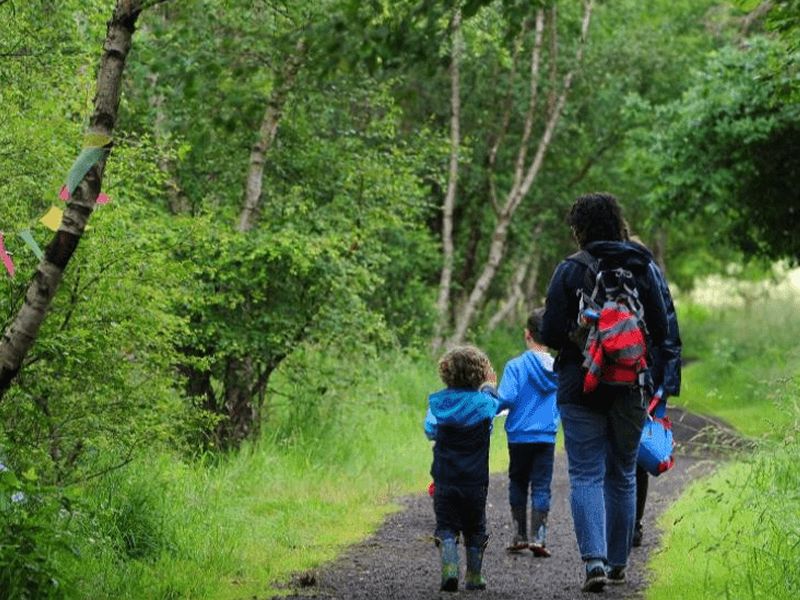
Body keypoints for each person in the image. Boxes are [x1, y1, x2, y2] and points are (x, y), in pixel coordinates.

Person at [540, 192, 670, 593]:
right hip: (631, 385)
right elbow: (663, 332)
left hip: (580, 384)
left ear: (579, 229)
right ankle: (618, 565)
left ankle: (593, 561)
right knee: (623, 474)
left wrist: (586, 338)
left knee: (585, 473)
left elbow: (549, 333)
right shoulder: (643, 266)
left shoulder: (569, 270)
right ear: (618, 222)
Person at [424, 345, 499, 592]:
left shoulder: (438, 403)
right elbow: (491, 412)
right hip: (475, 482)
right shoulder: (484, 405)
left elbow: (430, 430)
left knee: (446, 526)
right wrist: (489, 387)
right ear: (479, 375)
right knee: (475, 528)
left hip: (445, 479)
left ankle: (450, 571)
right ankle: (474, 577)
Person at [626, 238, 682, 547]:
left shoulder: (605, 271)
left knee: (621, 451)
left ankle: (625, 524)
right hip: (650, 376)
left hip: (619, 374)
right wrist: (668, 383)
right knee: (639, 450)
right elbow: (669, 329)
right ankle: (633, 524)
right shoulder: (651, 273)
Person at [496, 308, 559, 557]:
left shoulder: (515, 366)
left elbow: (507, 397)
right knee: (542, 485)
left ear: (527, 334)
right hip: (546, 435)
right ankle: (539, 538)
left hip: (519, 436)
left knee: (518, 482)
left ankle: (519, 535)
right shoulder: (558, 367)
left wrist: (491, 404)